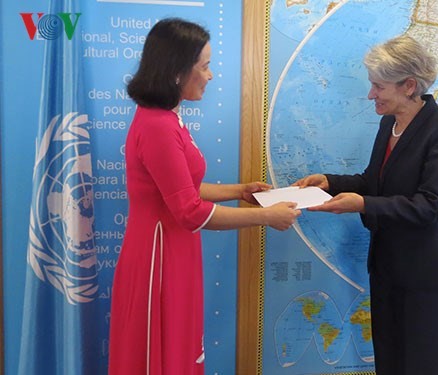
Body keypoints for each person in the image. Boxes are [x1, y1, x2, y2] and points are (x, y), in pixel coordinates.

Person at [108, 18, 301, 375]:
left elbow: (181, 189)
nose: (210, 76)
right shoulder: (158, 127)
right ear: (177, 72)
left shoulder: (166, 117)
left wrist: (240, 191)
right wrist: (266, 217)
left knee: (178, 348)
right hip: (159, 258)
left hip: (173, 249)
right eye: (205, 67)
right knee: (160, 354)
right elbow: (190, 212)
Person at [293, 35, 438, 374]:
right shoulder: (390, 123)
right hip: (387, 267)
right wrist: (330, 183)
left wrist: (363, 204)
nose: (371, 94)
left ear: (409, 85)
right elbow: (375, 182)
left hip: (426, 273)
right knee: (388, 362)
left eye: (379, 86)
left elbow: (431, 204)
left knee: (421, 366)